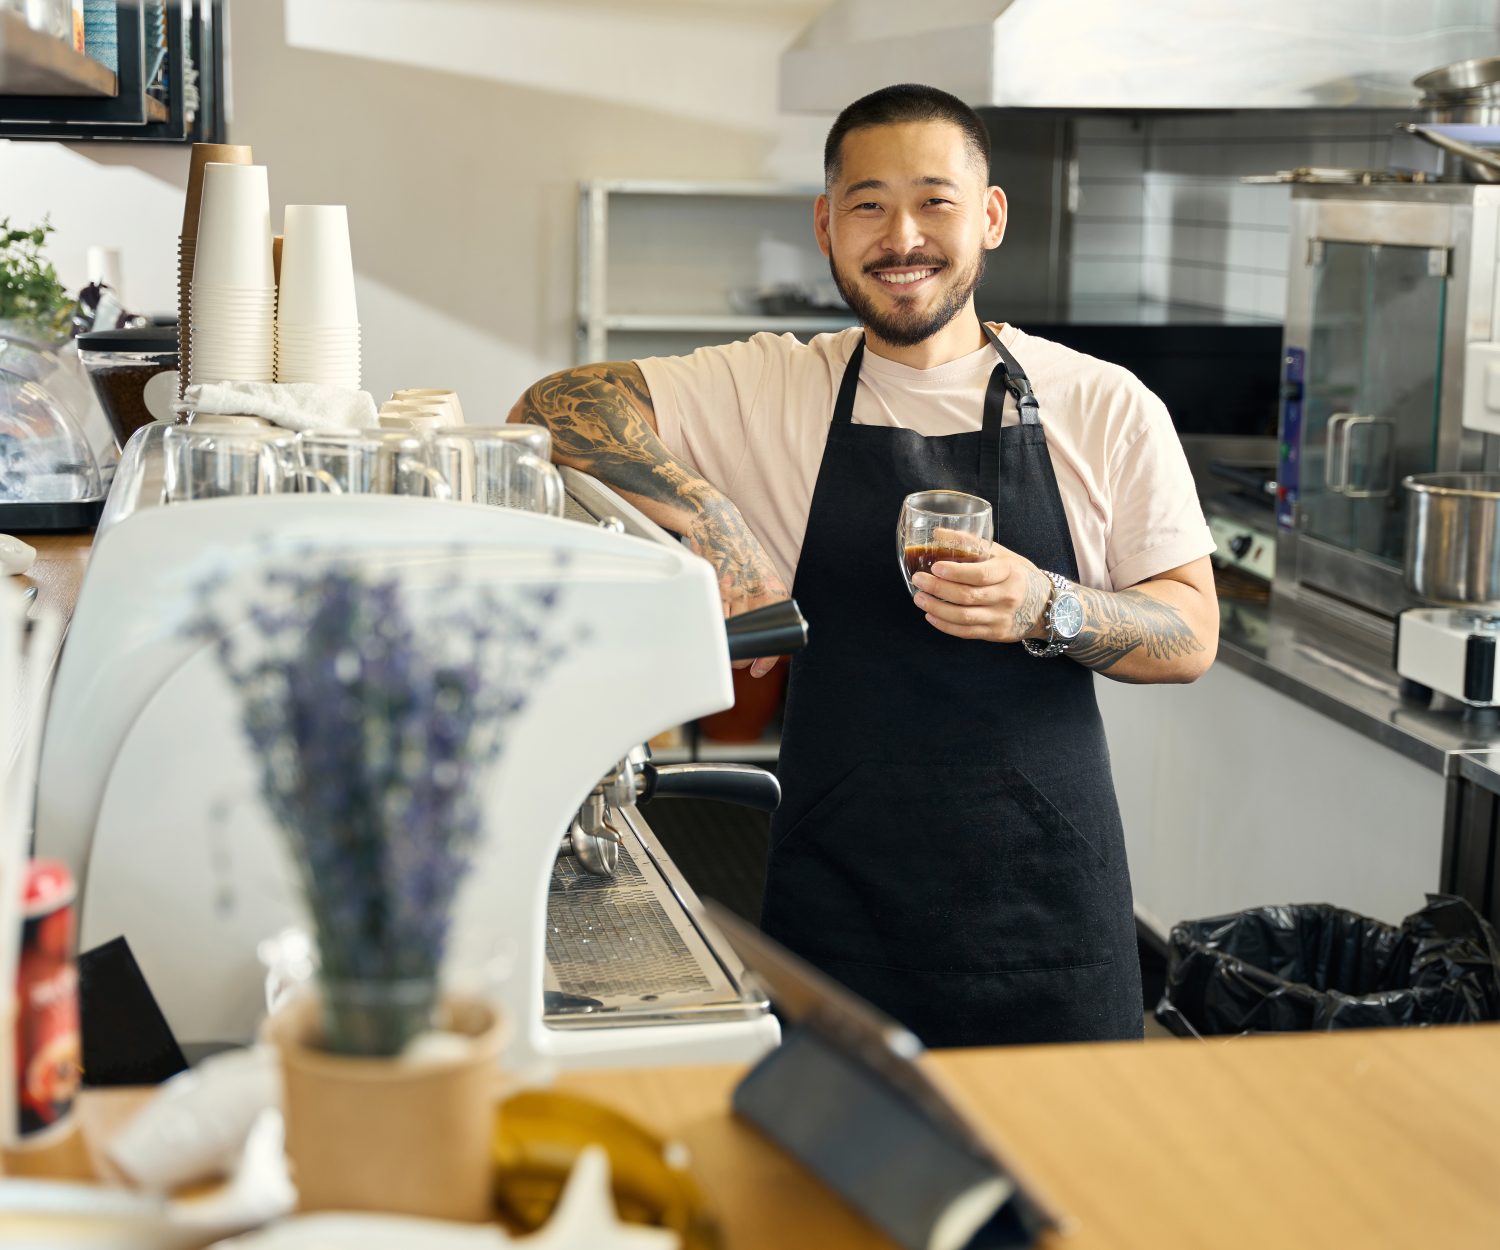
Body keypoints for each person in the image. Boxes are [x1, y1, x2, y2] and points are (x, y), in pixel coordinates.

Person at [511, 83, 1219, 1047]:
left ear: (991, 217)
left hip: (1050, 920)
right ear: (826, 225)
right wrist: (717, 522)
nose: (903, 237)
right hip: (839, 917)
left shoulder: (1102, 404)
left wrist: (1045, 605)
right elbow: (554, 404)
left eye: (935, 200)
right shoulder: (775, 384)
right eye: (868, 204)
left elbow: (1190, 634)